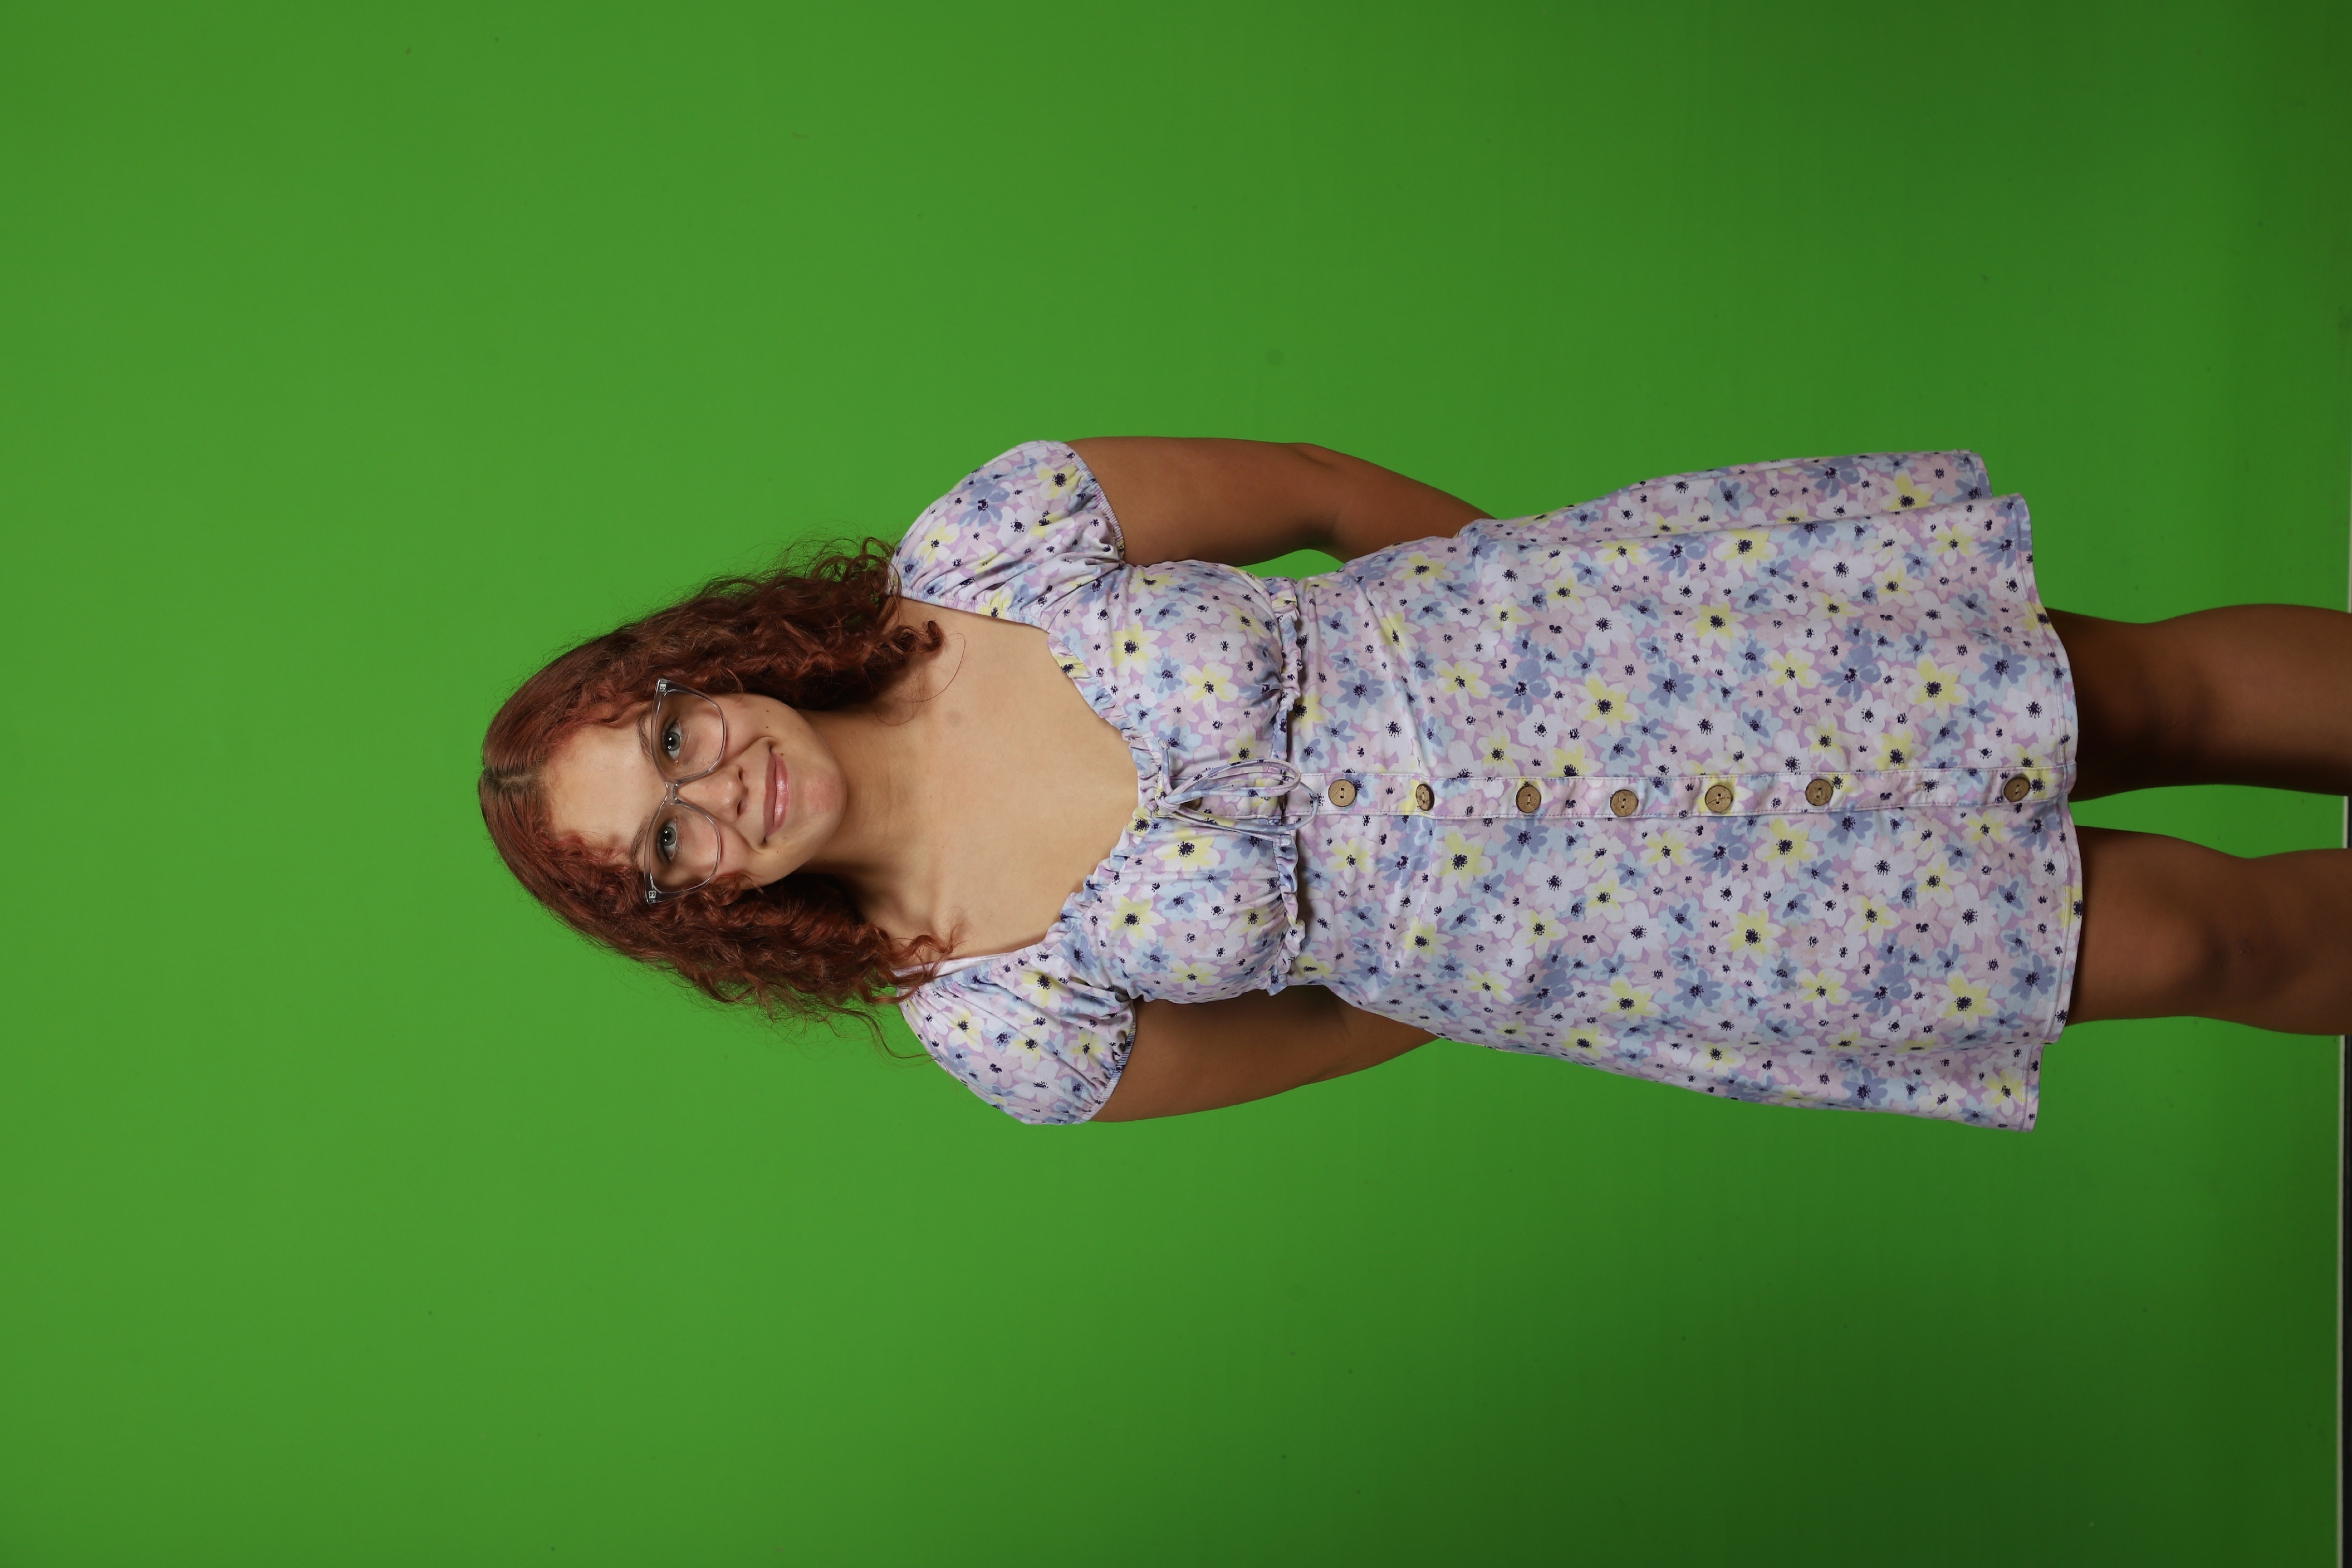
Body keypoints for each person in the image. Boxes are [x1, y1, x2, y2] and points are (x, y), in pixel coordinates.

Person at [479, 440, 2352, 1130]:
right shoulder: (996, 1021)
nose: (715, 791)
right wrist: (1508, 950)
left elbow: (1312, 493)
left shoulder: (990, 546)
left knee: (2141, 694)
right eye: (665, 848)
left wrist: (1553, 587)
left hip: (1616, 654)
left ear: (700, 672)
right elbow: (1341, 1025)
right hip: (1644, 929)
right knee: (2197, 945)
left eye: (670, 739)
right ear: (701, 910)